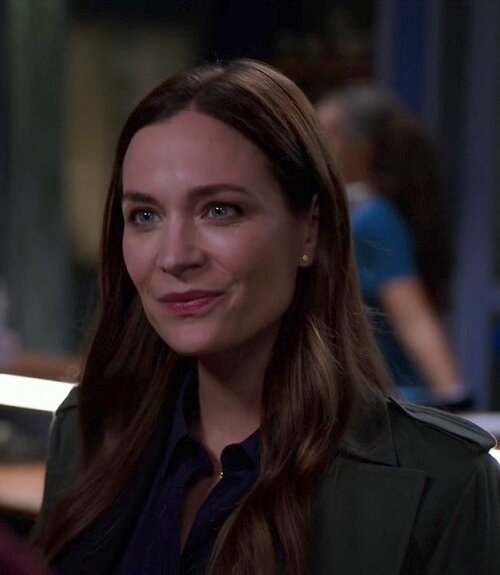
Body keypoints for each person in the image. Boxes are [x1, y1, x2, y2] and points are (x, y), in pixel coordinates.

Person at [32, 60, 499, 574]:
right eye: (145, 215)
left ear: (309, 229)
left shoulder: (445, 484)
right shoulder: (88, 433)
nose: (174, 256)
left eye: (219, 210)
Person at [316, 86, 470, 408]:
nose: (315, 147)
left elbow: (411, 316)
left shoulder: (374, 218)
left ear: (362, 147)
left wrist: (456, 399)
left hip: (393, 408)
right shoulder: (362, 211)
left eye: (326, 135)